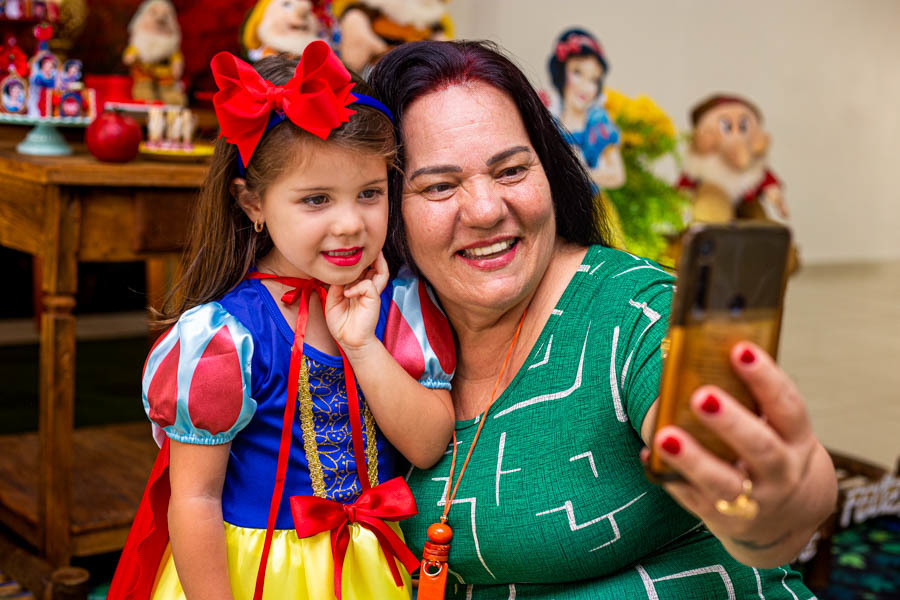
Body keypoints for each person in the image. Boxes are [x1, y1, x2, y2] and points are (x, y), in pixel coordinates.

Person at [369, 40, 837, 598]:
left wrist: (777, 503)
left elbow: (740, 472)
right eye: (440, 186)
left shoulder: (630, 308)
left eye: (512, 170)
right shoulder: (372, 333)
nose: (488, 209)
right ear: (384, 204)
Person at [109, 41, 456, 600]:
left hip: (373, 570)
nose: (350, 224)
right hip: (255, 576)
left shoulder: (402, 307)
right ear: (252, 205)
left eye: (369, 193)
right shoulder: (225, 339)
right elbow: (194, 498)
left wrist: (364, 346)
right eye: (316, 199)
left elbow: (427, 445)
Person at [548, 28, 625, 191]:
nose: (585, 87)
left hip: (590, 208)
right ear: (562, 73)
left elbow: (617, 175)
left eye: (593, 80)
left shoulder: (597, 123)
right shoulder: (549, 122)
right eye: (577, 73)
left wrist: (582, 171)